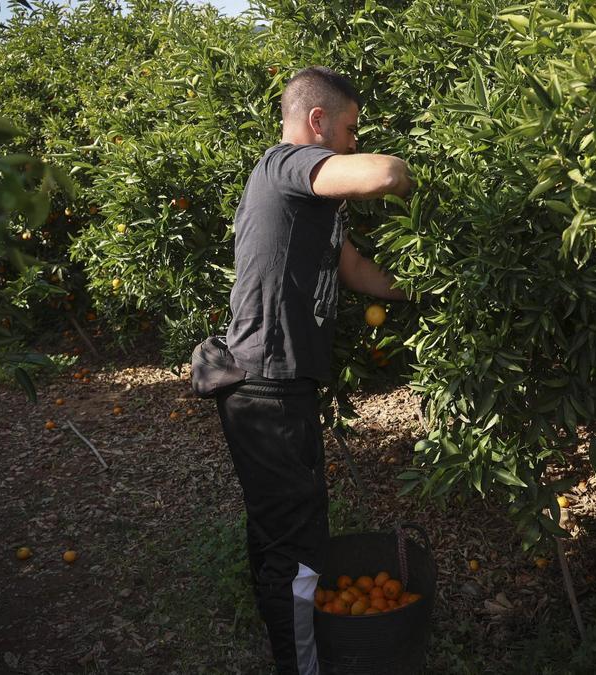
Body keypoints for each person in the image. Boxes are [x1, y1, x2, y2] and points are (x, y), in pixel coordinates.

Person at [214, 66, 411, 674]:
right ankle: (301, 663)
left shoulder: (312, 207)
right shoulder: (284, 166)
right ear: (316, 122)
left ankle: (283, 634)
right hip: (265, 388)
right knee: (297, 547)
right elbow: (384, 173)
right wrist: (415, 175)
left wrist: (424, 289)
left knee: (281, 533)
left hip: (279, 387)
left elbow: (354, 271)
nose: (354, 140)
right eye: (349, 128)